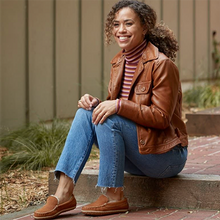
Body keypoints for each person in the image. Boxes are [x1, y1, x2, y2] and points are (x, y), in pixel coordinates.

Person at [33, 0, 188, 219]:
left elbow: (161, 118)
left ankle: (114, 196)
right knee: (86, 113)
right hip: (138, 153)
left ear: (144, 27)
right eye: (116, 24)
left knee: (110, 116)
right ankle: (64, 194)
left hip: (165, 156)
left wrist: (117, 105)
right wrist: (95, 103)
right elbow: (116, 111)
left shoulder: (162, 65)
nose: (120, 30)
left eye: (128, 24)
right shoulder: (118, 62)